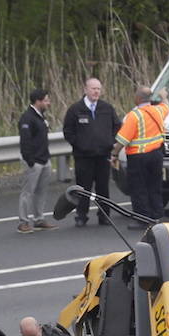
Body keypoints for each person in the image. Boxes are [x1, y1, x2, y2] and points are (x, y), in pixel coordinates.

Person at [62, 78, 122, 227]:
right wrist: (80, 145)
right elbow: (68, 131)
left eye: (98, 89)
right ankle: (81, 216)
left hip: (103, 156)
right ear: (86, 90)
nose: (96, 92)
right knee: (83, 188)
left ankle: (104, 216)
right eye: (93, 88)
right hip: (83, 157)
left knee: (103, 187)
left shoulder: (106, 108)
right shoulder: (76, 109)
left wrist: (110, 142)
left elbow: (117, 126)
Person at [111, 86, 169, 231]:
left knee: (139, 188)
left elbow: (123, 140)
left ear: (137, 99)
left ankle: (142, 218)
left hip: (138, 157)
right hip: (156, 155)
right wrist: (163, 96)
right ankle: (158, 215)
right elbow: (167, 106)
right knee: (155, 186)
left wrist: (113, 155)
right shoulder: (157, 110)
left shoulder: (134, 116)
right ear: (149, 99)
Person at [17, 88, 56, 234]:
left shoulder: (41, 117)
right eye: (46, 100)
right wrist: (30, 160)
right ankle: (23, 222)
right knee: (28, 192)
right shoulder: (27, 118)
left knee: (41, 191)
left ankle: (39, 219)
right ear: (38, 101)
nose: (48, 103)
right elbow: (25, 141)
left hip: (44, 159)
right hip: (33, 161)